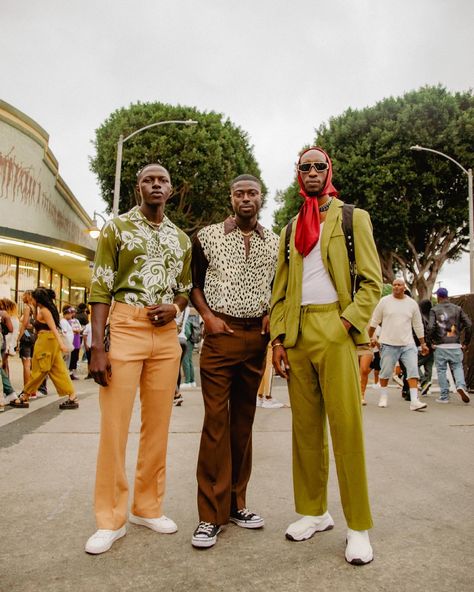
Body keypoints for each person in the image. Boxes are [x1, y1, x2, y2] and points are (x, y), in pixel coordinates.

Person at [270, 146, 381, 565]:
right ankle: (314, 512)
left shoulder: (353, 218)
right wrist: (279, 339)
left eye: (319, 166)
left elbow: (372, 281)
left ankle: (358, 527)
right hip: (297, 333)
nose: (312, 171)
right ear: (297, 174)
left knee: (347, 430)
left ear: (328, 171)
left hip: (335, 328)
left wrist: (346, 324)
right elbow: (279, 291)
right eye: (305, 167)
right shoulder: (290, 228)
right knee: (306, 432)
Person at [85, 163, 191, 555]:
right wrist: (98, 346)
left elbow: (184, 288)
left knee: (158, 426)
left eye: (163, 179)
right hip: (126, 327)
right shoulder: (116, 228)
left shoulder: (181, 239)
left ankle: (147, 507)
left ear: (170, 188)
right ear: (138, 187)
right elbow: (100, 288)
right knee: (115, 427)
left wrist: (175, 307)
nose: (156, 185)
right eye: (149, 179)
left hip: (165, 337)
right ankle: (110, 519)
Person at [190, 173, 279, 548]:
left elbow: (280, 285)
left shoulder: (275, 241)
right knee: (216, 422)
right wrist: (207, 317)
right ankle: (210, 516)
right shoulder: (206, 236)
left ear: (261, 198)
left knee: (244, 423)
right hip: (220, 334)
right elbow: (193, 283)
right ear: (231, 198)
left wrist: (273, 314)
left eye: (253, 193)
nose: (246, 198)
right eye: (240, 193)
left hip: (255, 339)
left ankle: (236, 503)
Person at [9, 288, 78, 410]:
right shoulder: (42, 310)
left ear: (38, 299)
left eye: (32, 298)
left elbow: (53, 328)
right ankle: (72, 395)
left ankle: (25, 395)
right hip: (48, 341)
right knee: (58, 369)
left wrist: (61, 344)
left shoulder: (45, 311)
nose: (31, 300)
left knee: (40, 369)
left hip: (46, 341)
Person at [369, 278, 429, 411]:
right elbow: (374, 321)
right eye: (394, 285)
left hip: (408, 344)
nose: (396, 287)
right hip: (388, 343)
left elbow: (418, 325)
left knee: (413, 370)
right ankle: (383, 396)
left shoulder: (412, 304)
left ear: (404, 288)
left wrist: (423, 343)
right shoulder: (384, 302)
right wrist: (370, 338)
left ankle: (414, 400)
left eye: (399, 285)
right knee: (385, 372)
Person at [428, 287, 471, 404]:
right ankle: (461, 386)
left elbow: (431, 327)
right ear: (447, 296)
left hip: (440, 345)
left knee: (441, 370)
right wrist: (465, 342)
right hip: (455, 344)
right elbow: (469, 324)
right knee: (457, 367)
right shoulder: (458, 309)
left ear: (438, 297)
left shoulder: (434, 310)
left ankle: (444, 396)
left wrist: (430, 341)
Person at [417, 299, 434, 396]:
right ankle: (426, 387)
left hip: (424, 345)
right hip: (433, 346)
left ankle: (424, 382)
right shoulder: (433, 317)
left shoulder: (421, 318)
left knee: (413, 365)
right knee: (429, 367)